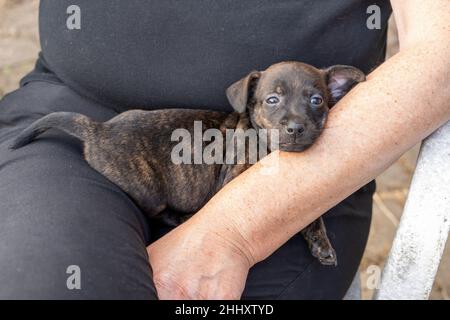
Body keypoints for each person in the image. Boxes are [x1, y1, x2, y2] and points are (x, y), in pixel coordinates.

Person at [0, 0, 448, 299]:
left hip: (302, 174)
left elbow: (442, 55)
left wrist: (234, 231)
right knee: (41, 283)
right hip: (85, 123)